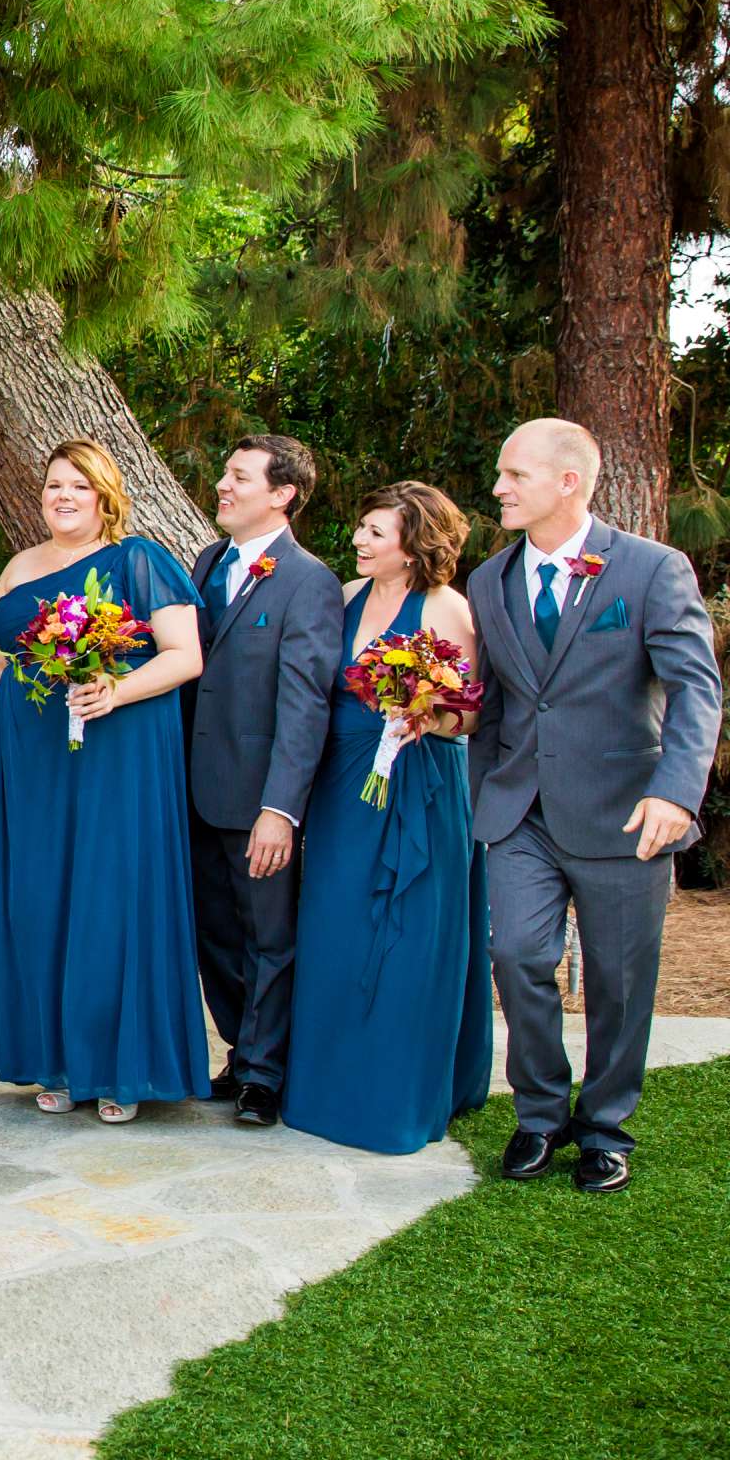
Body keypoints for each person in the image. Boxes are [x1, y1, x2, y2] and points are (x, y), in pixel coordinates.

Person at [466, 418, 721, 1193]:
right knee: (516, 956)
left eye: (515, 475)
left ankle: (605, 1127)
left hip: (626, 812)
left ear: (567, 482)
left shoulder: (651, 570)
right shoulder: (488, 581)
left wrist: (676, 792)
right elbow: (503, 704)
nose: (500, 488)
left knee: (619, 979)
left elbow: (695, 689)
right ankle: (540, 1116)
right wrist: (484, 794)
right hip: (520, 815)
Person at [0, 439, 209, 1123]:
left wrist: (117, 691)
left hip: (116, 754)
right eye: (54, 485)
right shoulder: (21, 565)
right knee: (42, 900)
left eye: (79, 485)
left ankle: (120, 1066)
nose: (63, 496)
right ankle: (56, 1060)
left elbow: (185, 656)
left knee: (110, 898)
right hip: (33, 759)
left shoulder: (140, 559)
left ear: (106, 495)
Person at [282, 483, 492, 1153]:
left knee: (405, 939)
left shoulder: (445, 608)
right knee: (335, 933)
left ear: (414, 544)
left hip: (418, 789)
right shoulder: (344, 598)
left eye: (375, 532)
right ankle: (326, 1087)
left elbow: (473, 713)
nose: (359, 541)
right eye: (361, 529)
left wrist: (424, 716)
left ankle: (396, 1097)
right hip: (343, 792)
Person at [183, 435, 344, 1127]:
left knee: (268, 937)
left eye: (238, 476)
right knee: (210, 931)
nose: (222, 484)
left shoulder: (311, 581)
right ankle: (239, 1048)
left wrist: (281, 808)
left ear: (281, 494)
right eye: (225, 471)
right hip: (191, 787)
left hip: (258, 798)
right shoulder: (208, 560)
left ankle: (263, 1074)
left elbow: (306, 702)